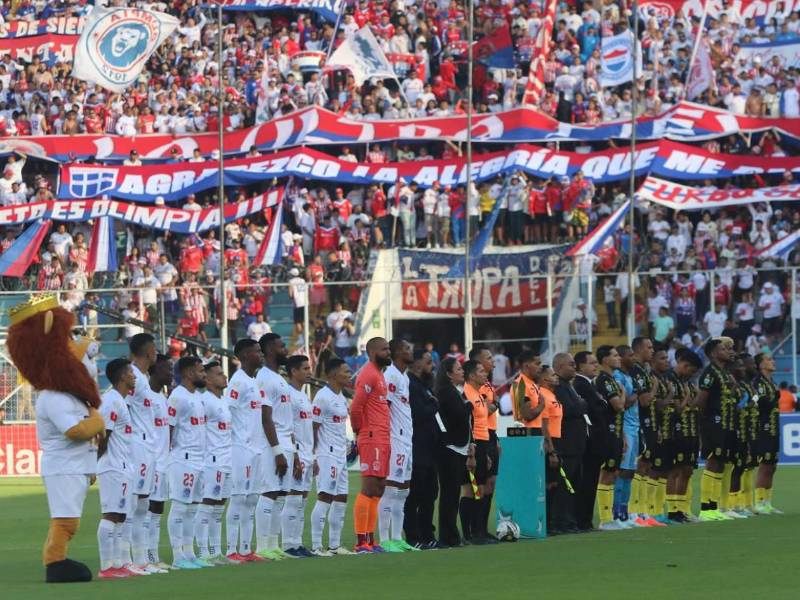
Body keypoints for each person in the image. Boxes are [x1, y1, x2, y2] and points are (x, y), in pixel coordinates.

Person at [96, 359, 140, 579]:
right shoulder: (111, 401)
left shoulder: (121, 401)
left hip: (123, 466)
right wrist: (92, 467)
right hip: (112, 467)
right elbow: (103, 437)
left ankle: (118, 563)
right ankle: (106, 567)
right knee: (111, 514)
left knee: (121, 516)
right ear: (123, 376)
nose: (134, 376)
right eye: (131, 372)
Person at [166, 356, 208, 569]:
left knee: (193, 508)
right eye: (201, 371)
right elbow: (169, 429)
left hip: (199, 460)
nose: (204, 374)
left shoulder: (198, 397)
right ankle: (177, 556)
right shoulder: (177, 397)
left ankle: (190, 553)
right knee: (181, 507)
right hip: (183, 459)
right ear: (189, 373)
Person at [350, 337, 392, 553]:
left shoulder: (379, 375)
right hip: (371, 435)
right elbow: (355, 407)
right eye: (385, 349)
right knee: (368, 488)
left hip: (382, 436)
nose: (389, 352)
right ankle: (360, 541)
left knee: (378, 488)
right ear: (373, 352)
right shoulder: (368, 374)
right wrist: (359, 432)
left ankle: (371, 539)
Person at [225, 339, 265, 562]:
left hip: (255, 448)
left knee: (251, 500)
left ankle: (246, 549)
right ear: (245, 355)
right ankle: (231, 550)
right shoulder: (237, 382)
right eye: (257, 351)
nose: (260, 355)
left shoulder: (253, 381)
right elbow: (227, 412)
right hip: (240, 448)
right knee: (239, 498)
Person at [254, 333, 293, 560]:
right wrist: (277, 450)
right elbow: (266, 417)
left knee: (280, 495)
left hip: (285, 441)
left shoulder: (278, 378)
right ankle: (262, 546)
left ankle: (273, 543)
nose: (285, 349)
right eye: (281, 346)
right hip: (272, 444)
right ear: (270, 350)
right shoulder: (265, 378)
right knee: (269, 492)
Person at [310, 358, 354, 556]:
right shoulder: (322, 397)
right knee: (325, 497)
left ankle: (335, 545)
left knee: (341, 498)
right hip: (326, 454)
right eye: (345, 371)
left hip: (340, 454)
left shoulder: (341, 397)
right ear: (334, 374)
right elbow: (313, 427)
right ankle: (317, 545)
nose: (349, 374)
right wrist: (313, 456)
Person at [379, 339, 419, 552]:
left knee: (403, 491)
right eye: (406, 348)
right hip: (395, 438)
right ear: (395, 353)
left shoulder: (404, 376)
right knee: (391, 489)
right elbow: (384, 408)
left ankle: (397, 537)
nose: (410, 350)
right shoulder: (391, 376)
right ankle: (385, 539)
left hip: (407, 439)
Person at [195, 362, 235, 565]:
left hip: (226, 459)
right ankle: (202, 552)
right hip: (212, 461)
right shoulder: (204, 401)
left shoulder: (224, 400)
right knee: (207, 504)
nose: (224, 376)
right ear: (208, 380)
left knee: (219, 506)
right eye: (219, 374)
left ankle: (215, 551)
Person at [126, 333, 159, 573]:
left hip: (148, 447)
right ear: (148, 352)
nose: (156, 353)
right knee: (133, 503)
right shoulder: (131, 377)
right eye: (155, 349)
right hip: (136, 445)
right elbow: (120, 405)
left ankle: (140, 560)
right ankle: (126, 559)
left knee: (143, 504)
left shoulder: (143, 378)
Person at [696, 337, 738, 522]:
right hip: (714, 422)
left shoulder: (725, 372)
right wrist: (707, 421)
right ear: (713, 353)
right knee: (713, 461)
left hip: (727, 423)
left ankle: (715, 505)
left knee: (721, 463)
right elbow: (701, 401)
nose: (729, 351)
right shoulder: (709, 373)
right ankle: (706, 508)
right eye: (724, 349)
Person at [434, 358, 472, 548]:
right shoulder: (446, 393)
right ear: (448, 373)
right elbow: (458, 415)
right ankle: (448, 536)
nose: (462, 371)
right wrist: (469, 406)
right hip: (450, 448)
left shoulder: (454, 391)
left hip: (458, 447)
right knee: (449, 494)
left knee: (452, 493)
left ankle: (450, 535)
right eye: (458, 369)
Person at [404, 349, 439, 549]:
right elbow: (418, 413)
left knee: (430, 493)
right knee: (415, 495)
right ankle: (412, 535)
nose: (432, 366)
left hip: (430, 447)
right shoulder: (410, 385)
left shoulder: (425, 386)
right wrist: (434, 405)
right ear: (417, 365)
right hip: (417, 447)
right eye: (428, 362)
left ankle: (427, 534)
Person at [664, 348, 703, 523]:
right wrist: (687, 397)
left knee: (687, 470)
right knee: (675, 470)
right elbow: (677, 407)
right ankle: (673, 511)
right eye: (691, 370)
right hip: (676, 430)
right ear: (684, 365)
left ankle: (682, 509)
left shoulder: (686, 382)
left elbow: (694, 407)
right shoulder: (669, 380)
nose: (692, 374)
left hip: (692, 430)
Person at [282, 355, 315, 558]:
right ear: (293, 371)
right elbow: (288, 427)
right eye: (305, 368)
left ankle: (297, 542)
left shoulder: (304, 396)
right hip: (297, 453)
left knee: (302, 501)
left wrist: (313, 456)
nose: (309, 371)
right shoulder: (289, 395)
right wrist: (294, 455)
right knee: (293, 499)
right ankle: (288, 544)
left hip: (308, 454)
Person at [460, 360, 494, 545]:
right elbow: (468, 424)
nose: (485, 374)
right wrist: (471, 452)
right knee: (470, 489)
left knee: (480, 489)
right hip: (472, 445)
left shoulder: (479, 394)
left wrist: (486, 452)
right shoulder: (466, 393)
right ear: (471, 375)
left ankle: (478, 531)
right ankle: (468, 534)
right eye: (481, 371)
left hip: (483, 443)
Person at [145, 354, 174, 571]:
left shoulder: (163, 397)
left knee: (157, 510)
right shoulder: (145, 397)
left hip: (163, 462)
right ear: (154, 370)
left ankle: (153, 556)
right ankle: (143, 557)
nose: (171, 373)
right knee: (146, 510)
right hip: (150, 461)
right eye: (167, 369)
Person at [593, 346, 627, 530]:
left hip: (616, 432)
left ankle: (610, 517)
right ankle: (605, 519)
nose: (618, 358)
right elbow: (619, 406)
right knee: (607, 473)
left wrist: (622, 437)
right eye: (614, 355)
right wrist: (622, 392)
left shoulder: (612, 380)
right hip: (606, 433)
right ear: (605, 359)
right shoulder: (604, 381)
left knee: (613, 473)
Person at [470, 347, 501, 540]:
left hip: (491, 434)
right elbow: (483, 410)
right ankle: (476, 529)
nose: (493, 362)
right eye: (489, 358)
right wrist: (493, 405)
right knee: (480, 485)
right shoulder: (476, 385)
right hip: (481, 436)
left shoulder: (487, 383)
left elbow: (491, 408)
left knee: (490, 483)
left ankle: (482, 528)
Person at [571, 351, 604, 532]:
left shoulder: (589, 384)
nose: (595, 366)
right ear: (580, 366)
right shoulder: (581, 385)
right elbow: (598, 408)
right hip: (588, 442)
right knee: (586, 483)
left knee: (591, 482)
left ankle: (586, 520)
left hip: (593, 441)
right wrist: (602, 403)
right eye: (592, 363)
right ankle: (583, 521)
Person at [753, 353, 782, 515]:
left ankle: (768, 502)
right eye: (769, 359)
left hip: (773, 427)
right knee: (765, 465)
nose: (773, 361)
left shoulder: (771, 382)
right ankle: (759, 502)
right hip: (763, 427)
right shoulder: (758, 382)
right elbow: (760, 403)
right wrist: (775, 396)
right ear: (761, 364)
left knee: (772, 465)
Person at [612, 346, 638, 525]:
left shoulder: (629, 376)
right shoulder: (618, 377)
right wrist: (638, 393)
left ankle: (624, 512)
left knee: (629, 472)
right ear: (621, 358)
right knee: (621, 471)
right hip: (625, 427)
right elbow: (625, 402)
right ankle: (615, 513)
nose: (633, 357)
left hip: (635, 427)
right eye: (630, 355)